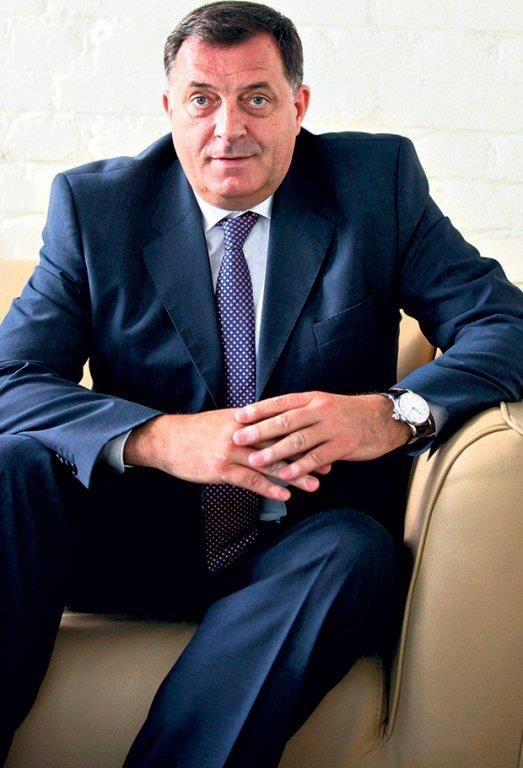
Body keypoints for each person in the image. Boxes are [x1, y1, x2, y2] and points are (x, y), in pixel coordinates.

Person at [0, 2, 522, 766]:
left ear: (297, 105)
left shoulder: (374, 185)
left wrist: (392, 413)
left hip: (300, 545)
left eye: (256, 97)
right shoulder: (96, 207)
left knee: (353, 549)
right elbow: (13, 378)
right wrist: (158, 439)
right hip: (133, 535)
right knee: (11, 462)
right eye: (202, 99)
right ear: (170, 108)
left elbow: (503, 322)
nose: (228, 128)